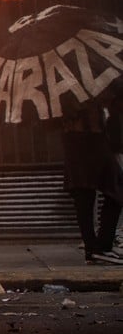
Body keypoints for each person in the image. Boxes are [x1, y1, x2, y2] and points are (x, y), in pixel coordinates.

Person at [61, 101, 123, 265]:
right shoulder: (77, 93)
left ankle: (97, 247)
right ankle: (97, 247)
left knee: (86, 195)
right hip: (87, 138)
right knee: (90, 193)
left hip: (87, 138)